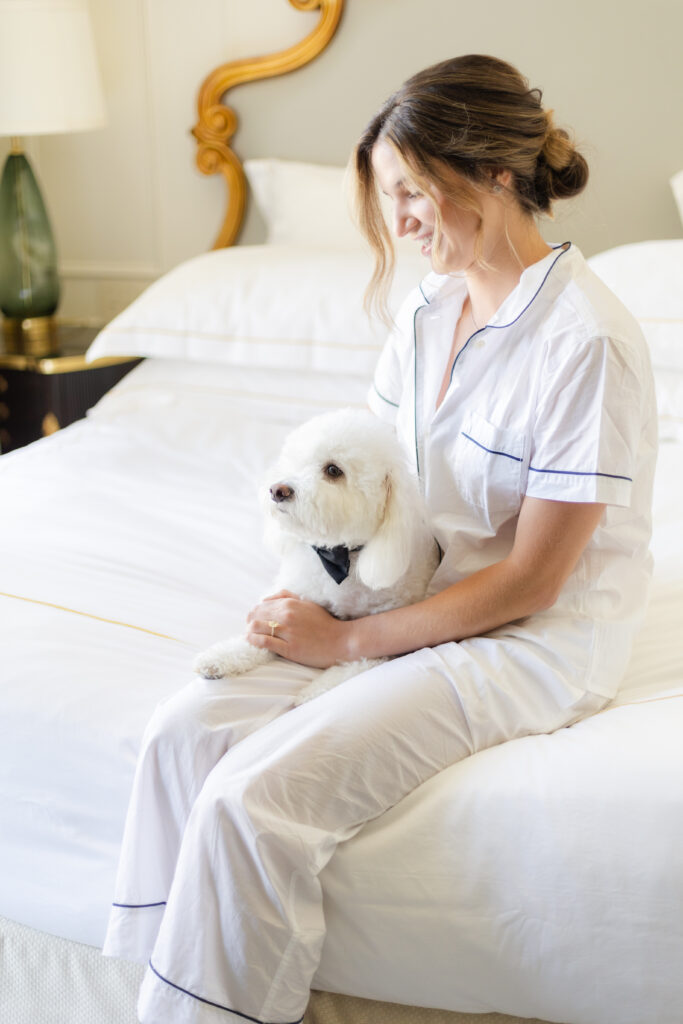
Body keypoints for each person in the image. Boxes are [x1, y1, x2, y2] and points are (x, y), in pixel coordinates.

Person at [103, 55, 657, 1024]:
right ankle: (160, 990)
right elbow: (369, 497)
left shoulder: (584, 340)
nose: (396, 222)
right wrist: (311, 598)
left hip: (526, 637)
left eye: (409, 193)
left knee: (251, 798)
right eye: (385, 196)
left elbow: (531, 578)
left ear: (489, 171)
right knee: (179, 733)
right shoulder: (425, 311)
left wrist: (348, 643)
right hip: (402, 596)